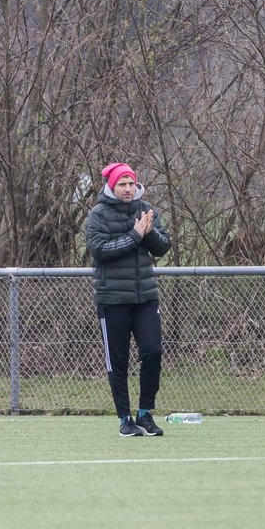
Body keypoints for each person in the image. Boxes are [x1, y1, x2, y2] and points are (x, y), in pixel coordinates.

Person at [85, 162, 172, 437]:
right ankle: (125, 419)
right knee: (118, 362)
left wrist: (149, 233)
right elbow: (100, 251)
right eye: (121, 183)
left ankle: (145, 414)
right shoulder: (97, 215)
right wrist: (135, 235)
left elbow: (163, 246)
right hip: (112, 299)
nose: (127, 188)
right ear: (112, 186)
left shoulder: (145, 209)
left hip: (145, 297)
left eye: (131, 183)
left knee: (153, 352)